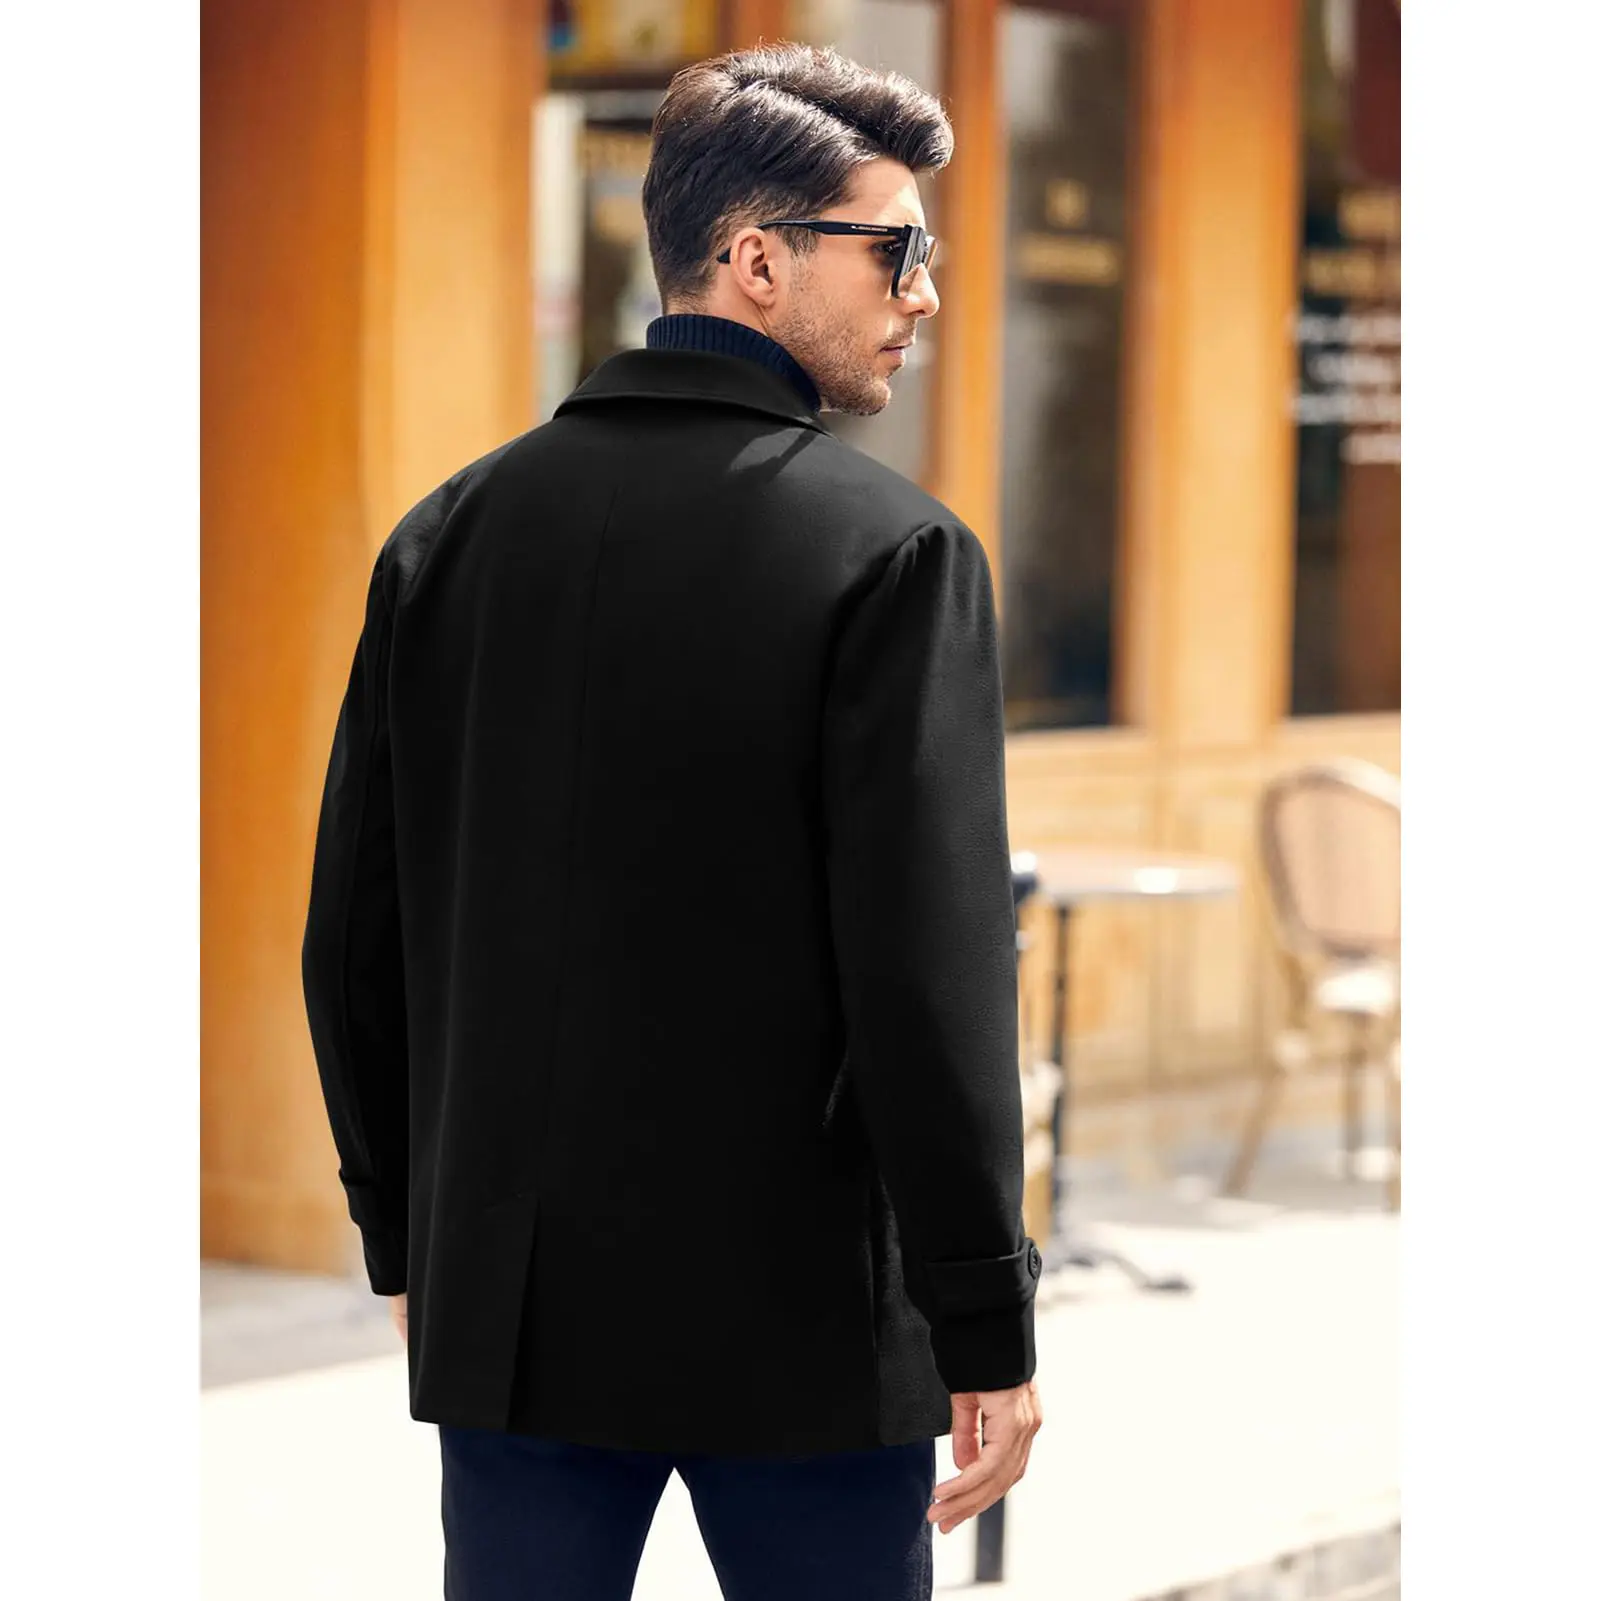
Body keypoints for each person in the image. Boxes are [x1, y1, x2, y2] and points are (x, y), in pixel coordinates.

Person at [301, 40, 1043, 1601]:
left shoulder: (447, 538)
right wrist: (985, 1316)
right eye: (896, 248)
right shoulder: (896, 555)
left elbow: (354, 942)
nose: (923, 293)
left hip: (512, 1315)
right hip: (803, 1331)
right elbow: (930, 982)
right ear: (758, 261)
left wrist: (407, 1244)